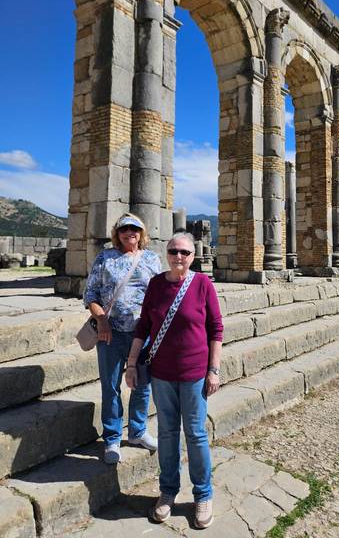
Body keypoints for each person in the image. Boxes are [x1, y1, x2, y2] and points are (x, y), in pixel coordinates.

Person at [125, 231, 223, 530]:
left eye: (184, 252)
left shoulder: (203, 284)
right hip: (162, 374)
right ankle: (167, 491)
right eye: (173, 251)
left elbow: (216, 329)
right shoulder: (156, 284)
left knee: (195, 434)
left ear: (193, 256)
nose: (178, 256)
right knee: (167, 434)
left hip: (194, 374)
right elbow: (143, 325)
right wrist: (131, 363)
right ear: (166, 254)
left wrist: (213, 370)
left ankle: (202, 495)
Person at [84, 213, 161, 464]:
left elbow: (160, 294)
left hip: (144, 333)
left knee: (142, 383)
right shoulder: (105, 257)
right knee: (111, 385)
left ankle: (138, 431)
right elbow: (90, 295)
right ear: (117, 233)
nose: (130, 232)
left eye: (135, 229)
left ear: (142, 233)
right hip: (111, 332)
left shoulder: (151, 258)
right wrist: (102, 319)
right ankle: (113, 438)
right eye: (124, 229)